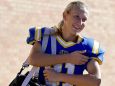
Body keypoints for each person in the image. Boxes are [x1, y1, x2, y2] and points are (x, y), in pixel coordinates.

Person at [26, 1, 105, 86]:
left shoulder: (87, 47)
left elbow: (95, 81)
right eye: (76, 17)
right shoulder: (45, 35)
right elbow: (33, 60)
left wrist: (59, 76)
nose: (80, 23)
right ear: (65, 15)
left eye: (84, 19)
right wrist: (68, 58)